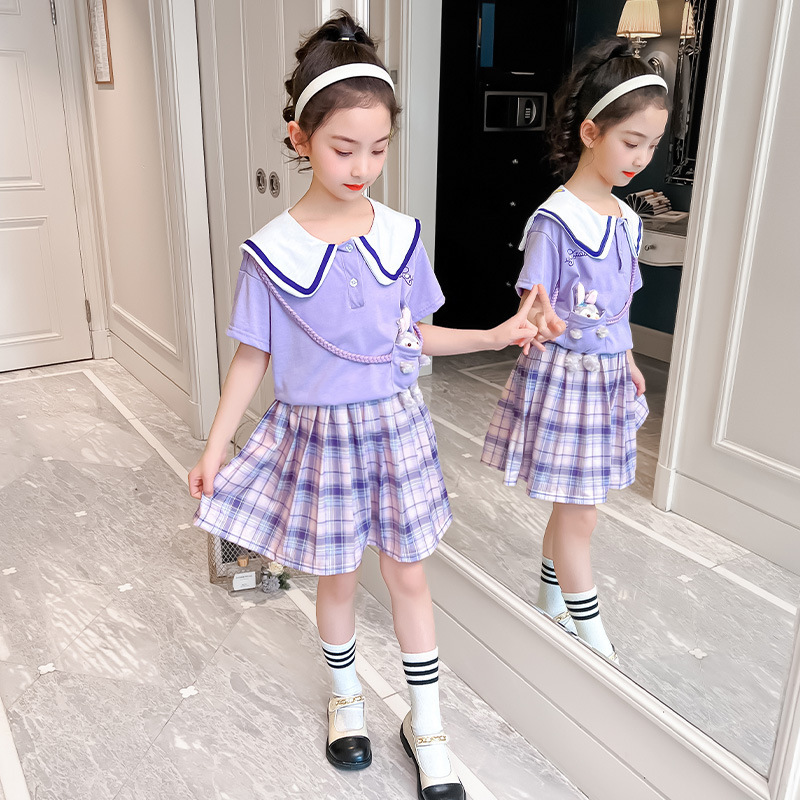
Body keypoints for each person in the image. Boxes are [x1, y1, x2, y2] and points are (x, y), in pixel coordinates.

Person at [189, 12, 544, 799]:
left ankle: (428, 725)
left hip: (395, 429)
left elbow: (414, 336)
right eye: (343, 148)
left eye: (378, 149)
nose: (362, 167)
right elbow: (252, 356)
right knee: (339, 578)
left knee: (410, 578)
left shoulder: (402, 235)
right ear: (300, 136)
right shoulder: (271, 252)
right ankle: (346, 699)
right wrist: (215, 447)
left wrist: (496, 333)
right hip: (317, 437)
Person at [481, 38, 669, 664]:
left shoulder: (627, 219)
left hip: (608, 373)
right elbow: (531, 305)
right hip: (566, 376)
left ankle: (549, 598)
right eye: (631, 142)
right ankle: (593, 642)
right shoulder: (555, 221)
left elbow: (620, 305)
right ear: (591, 132)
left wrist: (630, 358)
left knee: (575, 505)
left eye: (652, 146)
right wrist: (541, 321)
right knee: (581, 513)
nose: (641, 158)